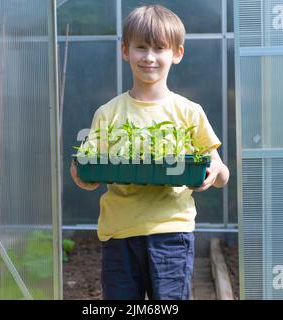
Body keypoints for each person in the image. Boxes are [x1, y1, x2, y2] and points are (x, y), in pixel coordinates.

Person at [70, 4, 229, 300]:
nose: (150, 57)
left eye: (159, 48)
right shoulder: (108, 114)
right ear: (125, 51)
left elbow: (221, 171)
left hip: (172, 232)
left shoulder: (188, 112)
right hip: (119, 233)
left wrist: (213, 173)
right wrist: (82, 175)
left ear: (177, 53)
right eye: (141, 47)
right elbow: (86, 166)